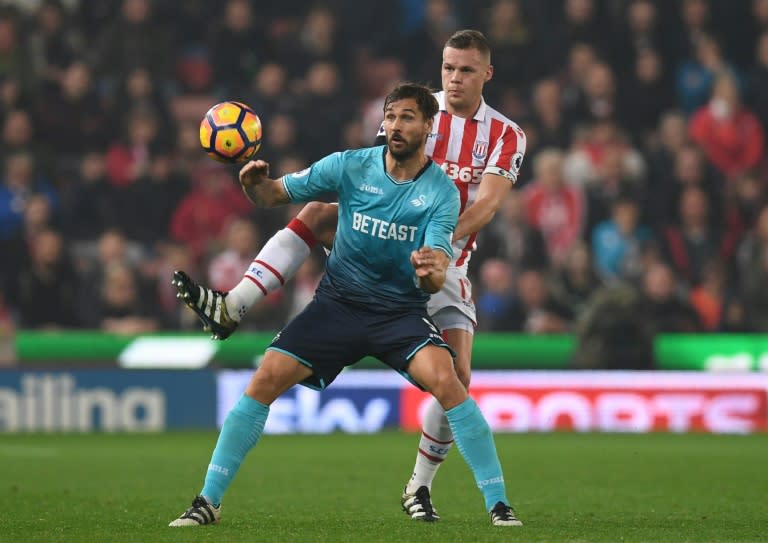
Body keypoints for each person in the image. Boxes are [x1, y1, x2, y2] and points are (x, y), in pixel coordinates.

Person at [177, 29, 526, 522]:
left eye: (466, 70)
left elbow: (487, 204)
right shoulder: (417, 108)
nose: (454, 78)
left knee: (458, 377)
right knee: (320, 211)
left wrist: (434, 247)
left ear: (486, 74)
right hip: (365, 274)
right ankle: (234, 303)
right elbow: (367, 175)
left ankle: (420, 487)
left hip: (441, 264)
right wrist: (261, 188)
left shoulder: (506, 135)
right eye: (448, 68)